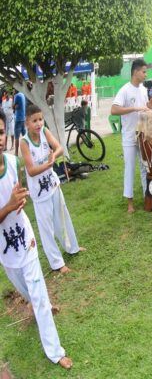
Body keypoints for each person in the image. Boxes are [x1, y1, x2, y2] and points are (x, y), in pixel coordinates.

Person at [0, 111, 73, 368]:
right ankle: (37, 304)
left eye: (0, 132)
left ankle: (55, 351)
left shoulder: (11, 161)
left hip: (26, 240)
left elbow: (18, 188)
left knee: (39, 293)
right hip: (6, 251)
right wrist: (9, 207)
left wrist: (20, 198)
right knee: (27, 291)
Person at [20, 104, 85, 273]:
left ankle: (73, 247)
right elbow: (31, 170)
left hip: (53, 184)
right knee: (46, 228)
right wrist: (49, 164)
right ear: (27, 123)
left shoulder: (45, 132)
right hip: (39, 193)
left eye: (40, 119)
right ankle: (57, 264)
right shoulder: (24, 142)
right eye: (34, 121)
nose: (39, 123)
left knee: (63, 217)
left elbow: (60, 148)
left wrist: (53, 156)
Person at [111, 59, 152, 213]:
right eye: (144, 71)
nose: (145, 74)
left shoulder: (143, 90)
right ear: (135, 72)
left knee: (145, 167)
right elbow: (114, 110)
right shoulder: (125, 90)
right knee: (129, 168)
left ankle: (147, 197)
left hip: (143, 135)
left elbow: (144, 110)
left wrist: (149, 107)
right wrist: (133, 108)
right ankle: (130, 203)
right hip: (129, 137)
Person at [13, 89, 26, 156]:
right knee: (25, 136)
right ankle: (27, 151)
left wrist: (13, 95)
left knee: (17, 137)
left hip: (18, 118)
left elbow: (14, 106)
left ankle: (16, 153)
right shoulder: (22, 94)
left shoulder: (17, 96)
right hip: (23, 118)